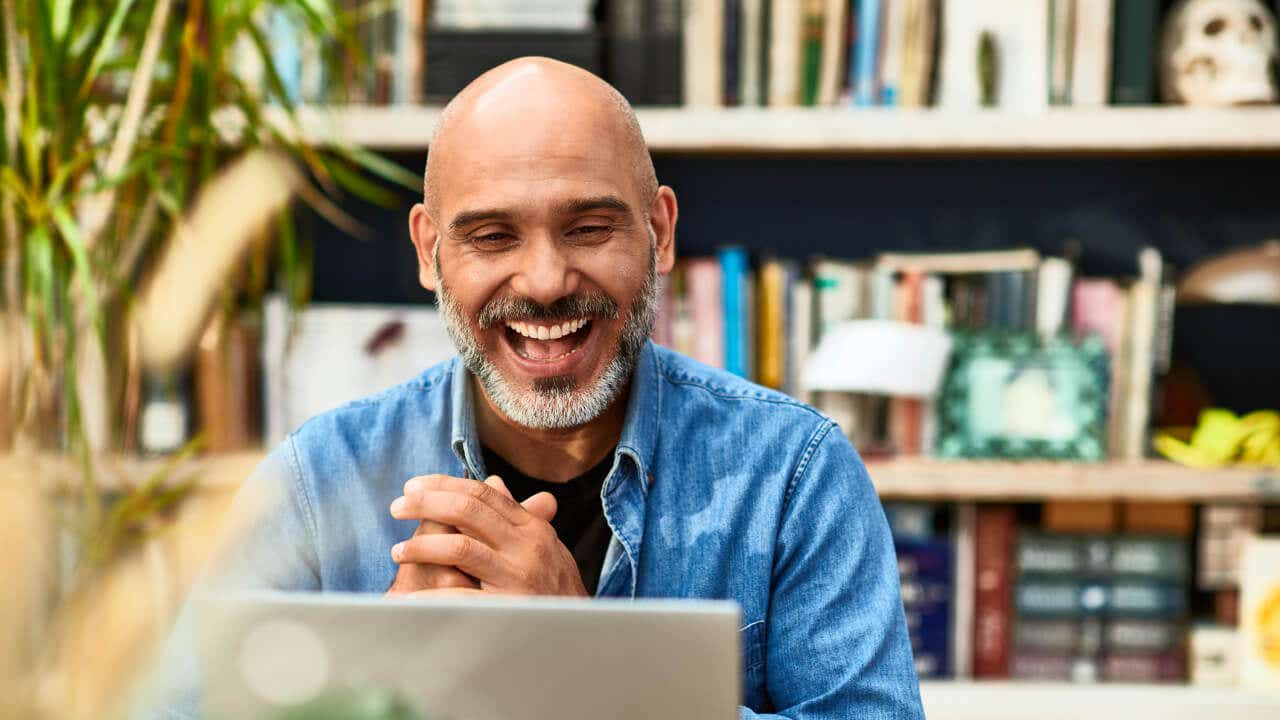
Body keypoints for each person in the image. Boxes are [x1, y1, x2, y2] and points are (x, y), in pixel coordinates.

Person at [145, 57, 924, 719]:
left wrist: (586, 664)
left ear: (661, 232)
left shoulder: (794, 474)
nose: (547, 281)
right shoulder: (319, 481)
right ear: (429, 251)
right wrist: (373, 682)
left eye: (589, 228)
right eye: (492, 236)